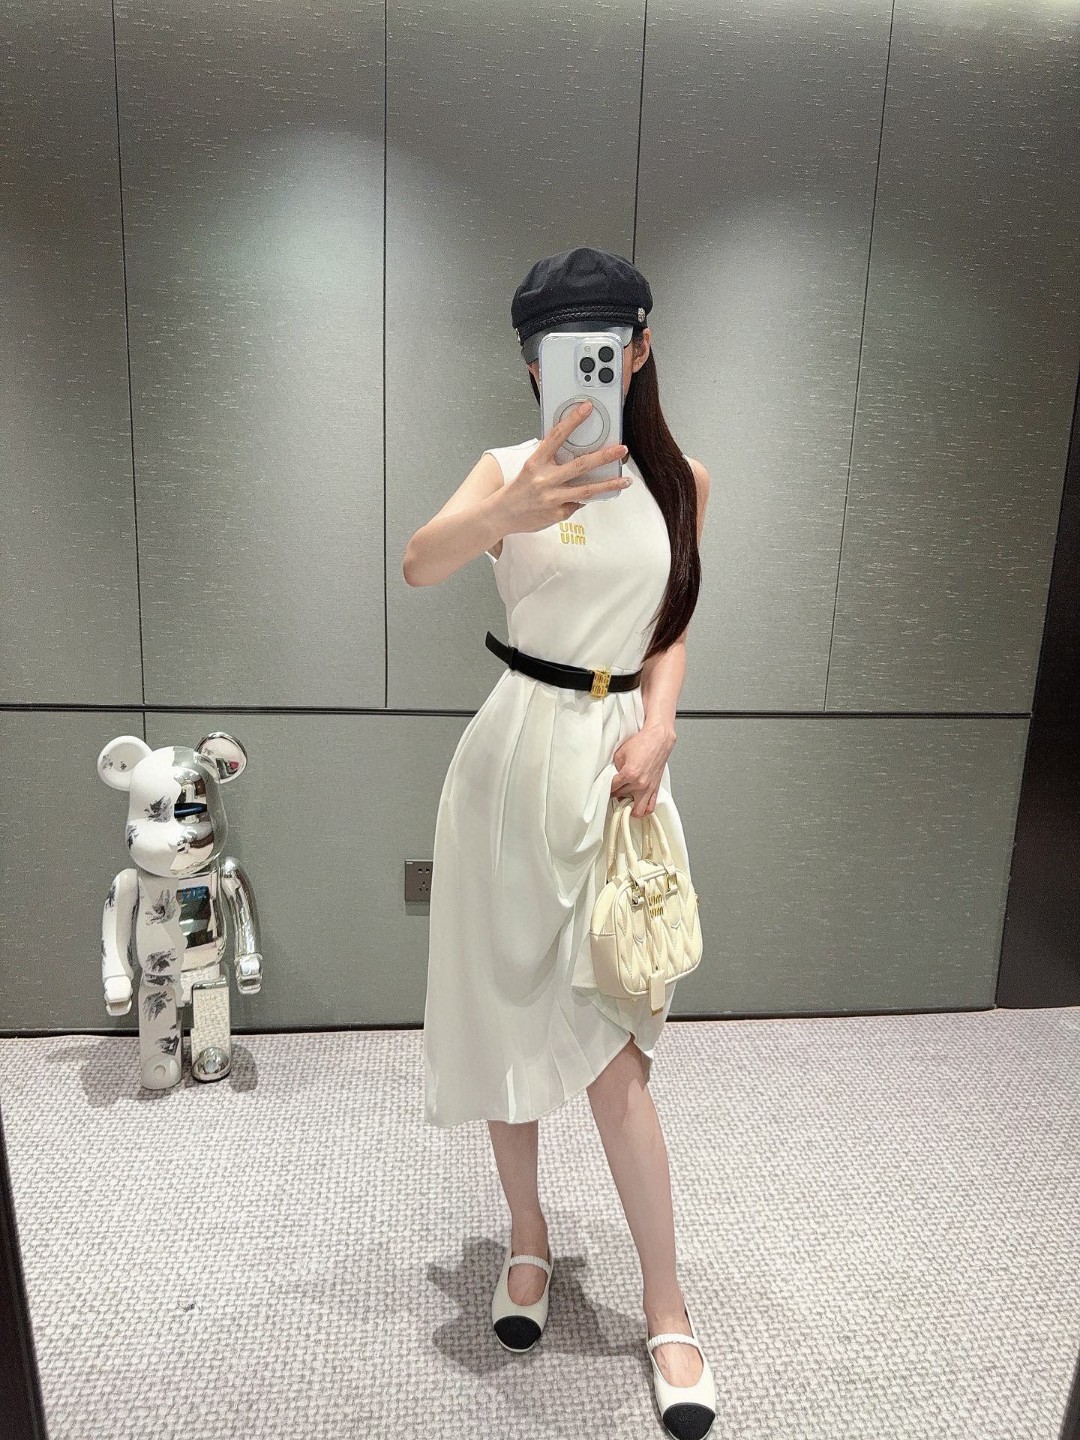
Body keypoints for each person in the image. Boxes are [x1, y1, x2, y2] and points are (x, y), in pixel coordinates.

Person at [404, 246, 713, 1440]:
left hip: (617, 766)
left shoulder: (681, 480)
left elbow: (671, 624)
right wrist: (509, 509)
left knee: (615, 1050)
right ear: (531, 363)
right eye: (554, 350)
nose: (579, 364)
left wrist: (662, 727)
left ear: (638, 349)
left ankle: (666, 1304)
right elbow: (420, 563)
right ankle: (525, 1241)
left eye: (602, 344)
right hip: (508, 760)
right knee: (504, 1013)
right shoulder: (504, 469)